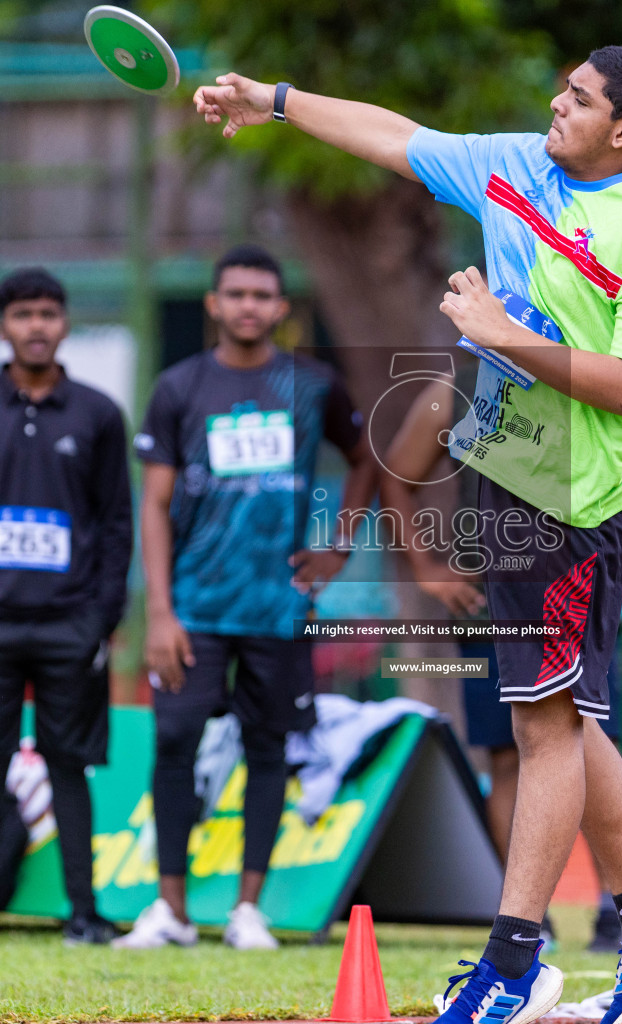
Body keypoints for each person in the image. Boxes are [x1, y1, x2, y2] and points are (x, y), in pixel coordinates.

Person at [194, 45, 622, 1024]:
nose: (557, 105)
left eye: (579, 99)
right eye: (562, 89)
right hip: (505, 484)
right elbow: (395, 137)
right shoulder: (517, 166)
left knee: (543, 727)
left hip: (570, 503)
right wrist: (275, 100)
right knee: (564, 715)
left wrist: (499, 330)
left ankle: (514, 963)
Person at [116, 244, 376, 951]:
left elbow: (365, 461)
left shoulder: (314, 385)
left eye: (263, 295)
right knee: (174, 742)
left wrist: (338, 547)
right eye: (236, 294)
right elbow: (155, 505)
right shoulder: (179, 388)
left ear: (281, 307)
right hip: (193, 611)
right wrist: (160, 612)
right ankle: (169, 911)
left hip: (278, 609)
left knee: (269, 749)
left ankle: (247, 911)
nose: (249, 307)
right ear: (214, 304)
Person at [381, 375, 622, 952]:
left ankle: (615, 912)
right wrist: (426, 568)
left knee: (586, 738)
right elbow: (398, 472)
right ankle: (528, 922)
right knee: (510, 753)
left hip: (573, 587)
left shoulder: (592, 371)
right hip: (494, 596)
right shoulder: (462, 384)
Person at [0, 267, 133, 946]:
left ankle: (85, 913)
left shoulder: (98, 413)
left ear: (64, 323)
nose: (36, 325)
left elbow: (116, 521)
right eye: (22, 314)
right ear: (3, 326)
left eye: (47, 313)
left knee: (69, 765)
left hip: (71, 623)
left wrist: (100, 618)